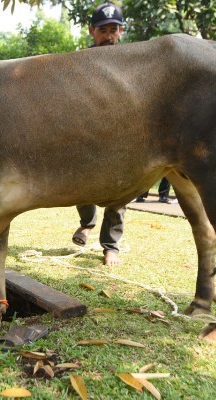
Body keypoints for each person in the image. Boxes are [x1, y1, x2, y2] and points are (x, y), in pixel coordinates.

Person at [71, 3, 126, 267]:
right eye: (102, 30)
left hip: (121, 134)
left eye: (113, 30)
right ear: (91, 31)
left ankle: (111, 246)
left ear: (121, 31)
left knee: (120, 191)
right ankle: (86, 224)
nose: (108, 36)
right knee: (82, 184)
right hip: (86, 133)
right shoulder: (78, 60)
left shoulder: (130, 60)